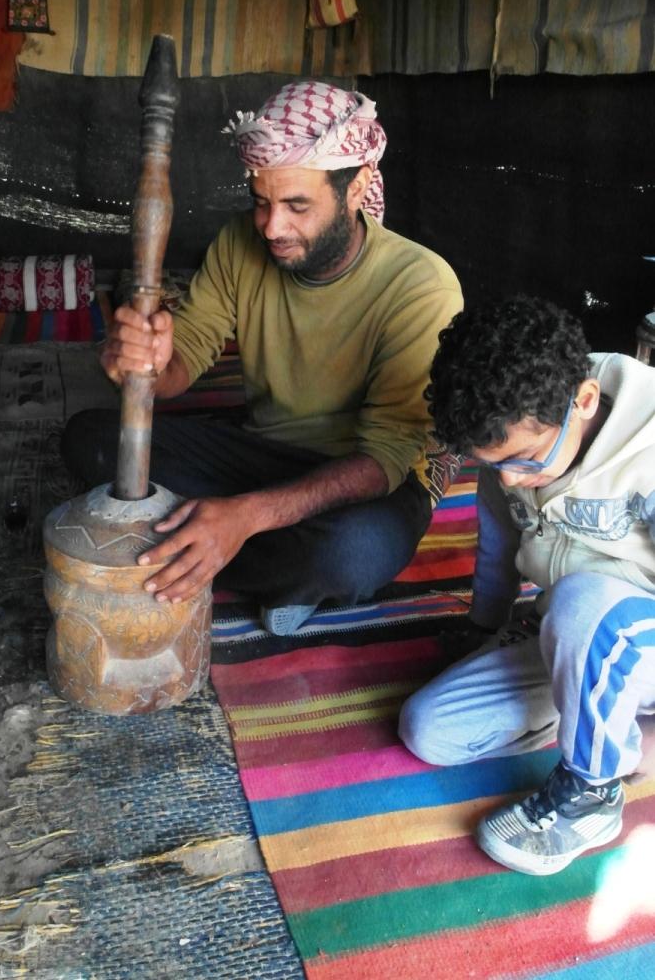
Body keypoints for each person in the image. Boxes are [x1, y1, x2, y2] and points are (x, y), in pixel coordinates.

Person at [62, 81, 462, 634]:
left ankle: (215, 545)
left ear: (356, 187)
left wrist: (247, 516)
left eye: (298, 205)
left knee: (357, 552)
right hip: (261, 454)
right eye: (261, 202)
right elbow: (186, 359)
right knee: (90, 439)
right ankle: (259, 562)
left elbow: (385, 460)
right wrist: (146, 364)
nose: (272, 227)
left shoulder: (421, 285)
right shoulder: (237, 244)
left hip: (361, 478)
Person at [398, 295, 655, 876]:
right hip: (577, 636)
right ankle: (597, 719)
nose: (509, 478)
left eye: (524, 459)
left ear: (584, 401)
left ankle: (592, 794)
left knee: (583, 606)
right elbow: (500, 549)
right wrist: (483, 628)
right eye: (492, 464)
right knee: (429, 730)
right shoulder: (512, 438)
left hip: (626, 635)